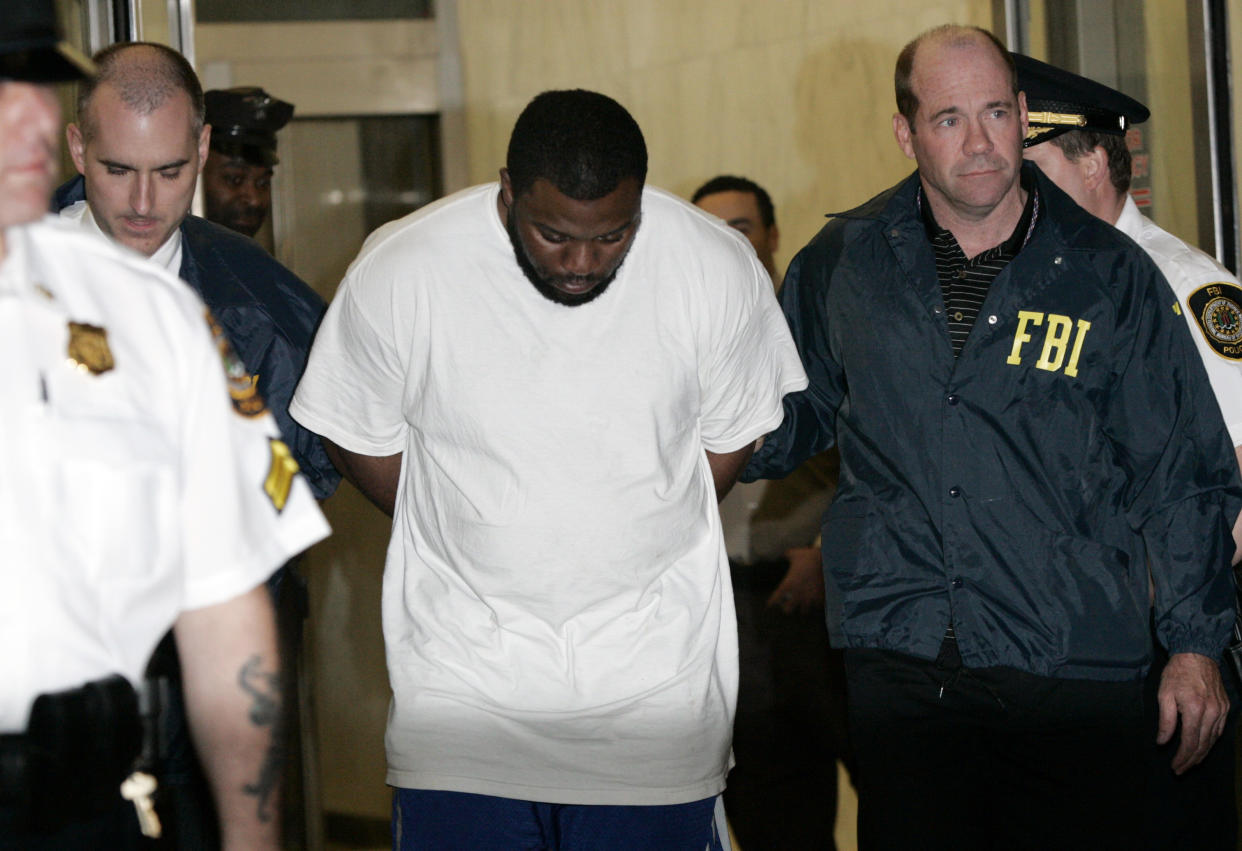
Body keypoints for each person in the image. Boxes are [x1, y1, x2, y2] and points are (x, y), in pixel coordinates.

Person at [741, 24, 1242, 849]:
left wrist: (1194, 645)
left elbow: (1181, 471)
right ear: (905, 133)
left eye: (997, 114)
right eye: (948, 120)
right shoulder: (846, 262)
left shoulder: (1109, 273)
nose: (980, 143)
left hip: (1068, 662)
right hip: (902, 661)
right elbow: (789, 414)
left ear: (1020, 116)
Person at [290, 89, 807, 850]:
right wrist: (461, 517)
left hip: (653, 706)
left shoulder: (713, 266)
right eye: (554, 234)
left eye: (613, 236)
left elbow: (732, 434)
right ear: (507, 193)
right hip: (461, 709)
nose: (582, 262)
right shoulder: (406, 268)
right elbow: (350, 425)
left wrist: (639, 516)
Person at [0, 3, 329, 848]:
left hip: (164, 740)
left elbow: (258, 561)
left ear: (204, 153)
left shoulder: (260, 309)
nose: (144, 202)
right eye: (116, 169)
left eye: (171, 171)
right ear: (76, 148)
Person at [1016, 51, 1242, 850]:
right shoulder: (1041, 288)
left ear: (1096, 159)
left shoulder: (1184, 291)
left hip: (1160, 645)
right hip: (1059, 652)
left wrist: (1159, 610)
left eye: (1029, 162)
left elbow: (1232, 488)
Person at [693, 174, 847, 850]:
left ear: (772, 236)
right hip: (722, 603)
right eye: (708, 233)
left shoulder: (814, 327)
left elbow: (873, 462)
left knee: (815, 784)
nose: (724, 247)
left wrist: (824, 550)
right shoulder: (683, 337)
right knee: (750, 791)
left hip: (807, 600)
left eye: (740, 229)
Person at [202, 86, 293, 238]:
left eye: (263, 183)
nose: (254, 200)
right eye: (235, 180)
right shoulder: (160, 256)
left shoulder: (254, 260)